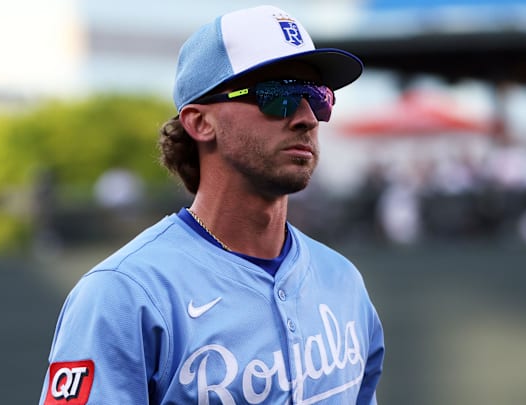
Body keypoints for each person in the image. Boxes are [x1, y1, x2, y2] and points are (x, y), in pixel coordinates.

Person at [38, 5, 384, 404]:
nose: (307, 118)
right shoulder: (123, 293)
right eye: (278, 96)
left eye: (317, 98)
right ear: (200, 122)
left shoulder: (344, 282)